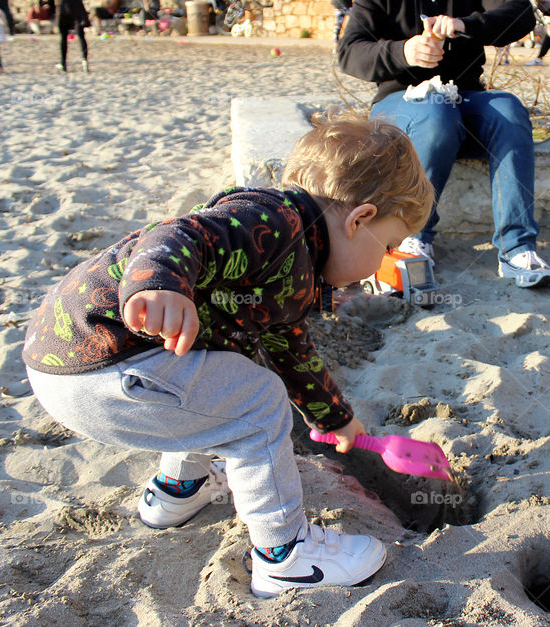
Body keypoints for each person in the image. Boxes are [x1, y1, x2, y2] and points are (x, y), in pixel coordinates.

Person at [22, 113, 434, 597]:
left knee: (217, 380)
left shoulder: (296, 262)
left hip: (67, 369)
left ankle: (179, 490)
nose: (383, 262)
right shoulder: (272, 223)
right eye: (388, 246)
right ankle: (284, 556)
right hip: (103, 362)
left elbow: (290, 349)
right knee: (257, 404)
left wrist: (337, 420)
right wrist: (159, 285)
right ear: (358, 219)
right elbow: (180, 234)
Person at [338, 0, 550, 289]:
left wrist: (466, 25)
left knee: (509, 110)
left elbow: (522, 13)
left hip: (464, 95)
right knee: (437, 113)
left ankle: (517, 248)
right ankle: (413, 237)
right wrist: (403, 52)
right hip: (400, 100)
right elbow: (349, 52)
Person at [56, 0, 89, 72]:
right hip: (77, 6)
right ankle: (85, 61)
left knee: (63, 37)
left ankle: (63, 63)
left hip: (64, 6)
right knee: (81, 36)